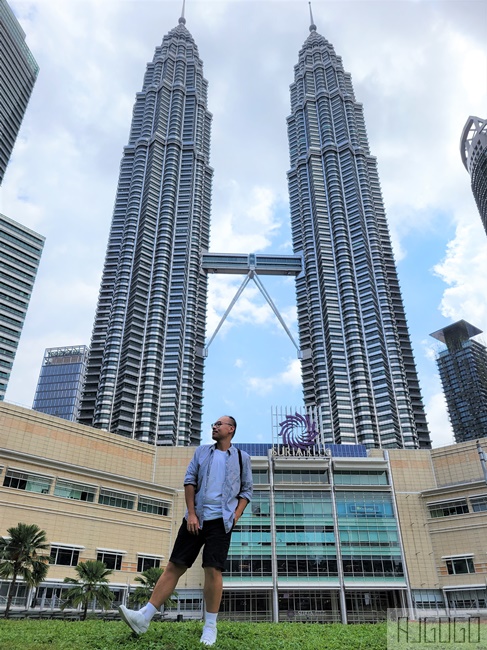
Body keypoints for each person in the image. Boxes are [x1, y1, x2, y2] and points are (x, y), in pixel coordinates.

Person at [119, 415, 253, 647]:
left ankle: (210, 627)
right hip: (196, 518)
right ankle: (144, 617)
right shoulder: (202, 451)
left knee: (213, 570)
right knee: (175, 566)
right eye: (214, 424)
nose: (214, 426)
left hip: (221, 522)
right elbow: (189, 481)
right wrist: (191, 514)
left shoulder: (242, 458)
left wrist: (236, 514)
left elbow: (247, 491)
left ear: (231, 429)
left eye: (219, 424)